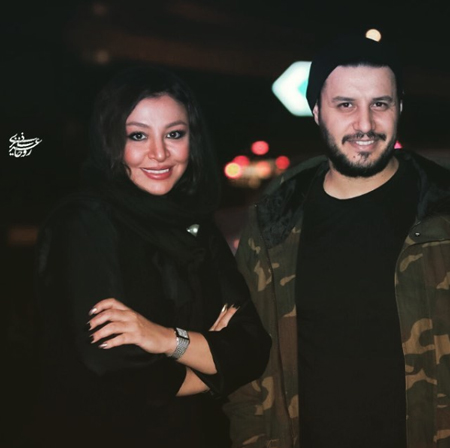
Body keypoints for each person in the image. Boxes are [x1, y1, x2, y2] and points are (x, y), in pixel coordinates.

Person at [224, 35, 450, 448]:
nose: (365, 124)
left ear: (399, 108)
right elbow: (249, 369)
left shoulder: (442, 211)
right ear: (316, 111)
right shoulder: (273, 225)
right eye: (345, 105)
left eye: (380, 104)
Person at [30, 64, 271, 448]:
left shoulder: (196, 225)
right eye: (138, 135)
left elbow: (253, 348)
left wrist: (165, 339)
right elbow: (114, 368)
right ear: (111, 141)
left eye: (174, 134)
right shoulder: (86, 221)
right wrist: (209, 364)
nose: (159, 154)